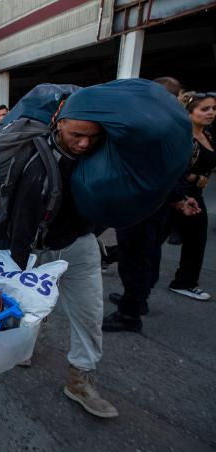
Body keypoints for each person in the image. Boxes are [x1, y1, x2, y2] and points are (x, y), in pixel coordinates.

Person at [8, 115, 118, 418]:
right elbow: (22, 221)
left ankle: (80, 378)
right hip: (36, 247)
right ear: (60, 123)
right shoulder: (36, 162)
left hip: (80, 245)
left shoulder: (101, 155)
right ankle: (21, 349)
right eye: (78, 135)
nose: (84, 143)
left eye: (92, 137)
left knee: (90, 313)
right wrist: (19, 270)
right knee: (31, 306)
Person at [103, 78, 202, 332]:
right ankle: (137, 299)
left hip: (143, 205)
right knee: (147, 255)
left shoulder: (155, 125)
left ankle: (129, 313)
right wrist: (179, 197)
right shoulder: (176, 124)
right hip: (159, 203)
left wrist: (178, 198)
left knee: (135, 258)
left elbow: (157, 169)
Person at [166, 91, 216, 301]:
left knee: (194, 239)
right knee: (150, 239)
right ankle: (184, 283)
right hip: (178, 194)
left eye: (214, 108)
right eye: (205, 109)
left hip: (195, 194)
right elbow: (171, 167)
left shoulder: (208, 134)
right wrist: (195, 177)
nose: (211, 113)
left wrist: (203, 175)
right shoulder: (182, 137)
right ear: (189, 112)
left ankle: (185, 281)